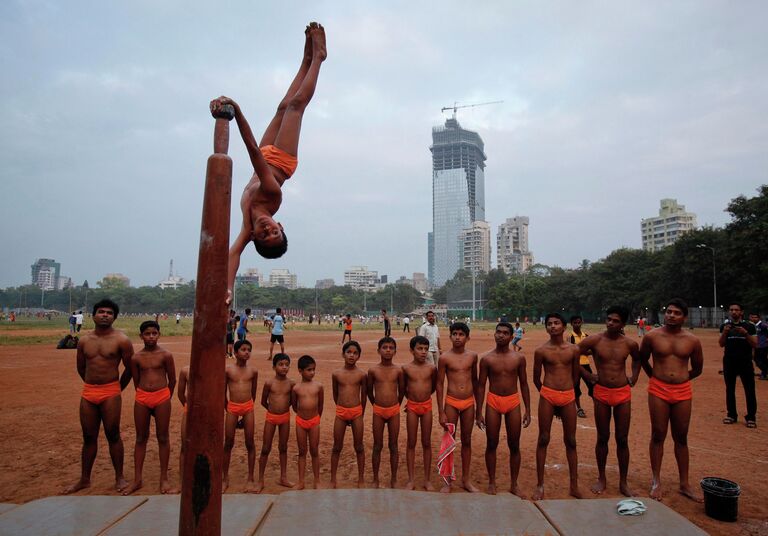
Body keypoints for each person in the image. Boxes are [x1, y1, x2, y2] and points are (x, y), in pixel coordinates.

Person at [222, 22, 327, 303]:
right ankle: (319, 59)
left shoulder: (247, 226)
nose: (268, 228)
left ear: (255, 236)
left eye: (265, 233)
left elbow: (233, 254)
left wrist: (228, 289)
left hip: (265, 154)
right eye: (275, 230)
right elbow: (253, 154)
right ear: (280, 224)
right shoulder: (271, 195)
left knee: (283, 106)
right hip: (281, 160)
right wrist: (239, 113)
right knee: (296, 107)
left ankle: (305, 59)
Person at [64, 299, 134, 494]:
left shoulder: (121, 340)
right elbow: (81, 367)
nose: (105, 315)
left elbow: (130, 368)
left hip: (111, 391)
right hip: (89, 392)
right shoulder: (85, 341)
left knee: (113, 434)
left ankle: (119, 477)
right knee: (88, 437)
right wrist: (91, 383)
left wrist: (119, 387)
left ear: (114, 317)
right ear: (93, 315)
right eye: (101, 312)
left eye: (109, 313)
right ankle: (84, 479)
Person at [639, 298, 704, 501]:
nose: (671, 315)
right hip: (658, 389)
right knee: (658, 434)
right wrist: (655, 377)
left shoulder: (692, 340)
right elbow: (643, 359)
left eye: (676, 313)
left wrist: (682, 379)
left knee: (681, 437)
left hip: (683, 391)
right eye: (668, 311)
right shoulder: (652, 337)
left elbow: (698, 368)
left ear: (684, 317)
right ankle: (656, 481)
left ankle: (684, 483)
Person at [577, 306, 640, 497]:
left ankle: (623, 482)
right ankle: (602, 478)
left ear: (623, 323)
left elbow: (637, 360)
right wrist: (587, 375)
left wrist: (634, 376)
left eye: (616, 320)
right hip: (602, 392)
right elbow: (572, 354)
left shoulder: (630, 344)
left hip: (622, 393)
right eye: (609, 319)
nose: (611, 323)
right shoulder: (595, 340)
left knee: (622, 439)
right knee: (602, 437)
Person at [476, 322, 531, 496]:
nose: (501, 335)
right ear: (494, 334)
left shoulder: (518, 358)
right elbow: (481, 385)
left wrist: (528, 410)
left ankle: (514, 484)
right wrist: (479, 412)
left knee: (514, 444)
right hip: (493, 401)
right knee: (491, 443)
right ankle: (492, 482)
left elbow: (523, 383)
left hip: (513, 402)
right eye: (498, 332)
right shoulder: (486, 359)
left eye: (505, 333)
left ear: (511, 336)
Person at [123, 320, 178, 495]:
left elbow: (172, 380)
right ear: (141, 336)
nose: (151, 337)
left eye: (154, 333)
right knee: (140, 438)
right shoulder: (136, 358)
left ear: (159, 335)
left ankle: (164, 479)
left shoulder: (166, 355)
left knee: (163, 437)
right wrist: (144, 395)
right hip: (142, 397)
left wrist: (165, 398)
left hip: (162, 397)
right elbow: (136, 380)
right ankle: (137, 479)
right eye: (147, 334)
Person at [532, 313, 583, 500]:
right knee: (543, 438)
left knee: (571, 441)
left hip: (568, 395)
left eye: (556, 323)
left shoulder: (573, 350)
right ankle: (540, 485)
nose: (552, 326)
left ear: (563, 327)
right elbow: (536, 378)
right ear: (546, 328)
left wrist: (566, 393)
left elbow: (576, 376)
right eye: (549, 324)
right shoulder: (541, 351)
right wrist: (547, 395)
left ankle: (574, 485)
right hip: (548, 395)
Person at [436, 322, 479, 493]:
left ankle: (466, 480)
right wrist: (441, 411)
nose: (458, 337)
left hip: (469, 402)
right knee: (449, 441)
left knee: (467, 440)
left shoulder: (473, 356)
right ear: (450, 336)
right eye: (454, 334)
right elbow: (439, 384)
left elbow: (475, 381)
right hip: (451, 402)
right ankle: (447, 481)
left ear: (467, 337)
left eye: (461, 334)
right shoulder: (444, 358)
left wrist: (479, 407)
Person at [367, 337, 404, 488]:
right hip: (378, 411)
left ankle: (394, 479)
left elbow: (401, 392)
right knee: (377, 445)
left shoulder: (398, 370)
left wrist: (395, 406)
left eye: (391, 348)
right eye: (385, 347)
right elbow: (369, 392)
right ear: (378, 350)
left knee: (393, 445)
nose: (388, 350)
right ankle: (375, 479)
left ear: (395, 351)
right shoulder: (373, 370)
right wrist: (377, 405)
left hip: (394, 410)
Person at [223, 340, 258, 492]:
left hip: (248, 408)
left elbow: (254, 393)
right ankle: (224, 477)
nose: (247, 352)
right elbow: (223, 392)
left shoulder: (253, 372)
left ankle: (250, 478)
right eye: (243, 349)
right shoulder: (228, 370)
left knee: (250, 443)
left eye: (249, 350)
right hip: (232, 407)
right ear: (236, 352)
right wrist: (228, 408)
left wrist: (247, 410)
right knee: (228, 442)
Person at [257, 353, 295, 493]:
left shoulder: (291, 384)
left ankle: (283, 477)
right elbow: (263, 401)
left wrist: (283, 410)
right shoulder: (269, 383)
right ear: (274, 367)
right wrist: (272, 410)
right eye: (281, 364)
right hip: (271, 418)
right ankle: (260, 479)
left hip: (285, 418)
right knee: (266, 448)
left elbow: (292, 401)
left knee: (283, 447)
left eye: (286, 365)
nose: (284, 367)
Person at [330, 341, 367, 488]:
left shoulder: (362, 374)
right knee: (336, 447)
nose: (351, 355)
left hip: (357, 412)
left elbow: (363, 397)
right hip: (341, 413)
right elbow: (335, 394)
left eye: (355, 353)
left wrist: (360, 414)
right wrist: (341, 408)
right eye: (349, 352)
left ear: (358, 356)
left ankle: (361, 479)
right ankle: (333, 479)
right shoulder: (336, 374)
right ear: (343, 354)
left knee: (359, 447)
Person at [402, 335, 437, 491]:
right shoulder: (406, 369)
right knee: (411, 442)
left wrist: (424, 397)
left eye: (425, 349)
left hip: (427, 406)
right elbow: (403, 388)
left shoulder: (431, 368)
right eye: (419, 349)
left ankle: (427, 479)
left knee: (427, 442)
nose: (423, 352)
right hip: (412, 407)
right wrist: (410, 400)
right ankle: (410, 479)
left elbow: (434, 387)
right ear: (412, 350)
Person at [719, 303, 757, 428]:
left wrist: (745, 334)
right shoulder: (725, 326)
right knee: (729, 388)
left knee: (749, 389)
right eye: (731, 310)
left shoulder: (749, 326)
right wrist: (725, 332)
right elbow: (721, 344)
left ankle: (751, 417)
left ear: (741, 312)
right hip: (729, 361)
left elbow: (755, 344)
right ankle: (731, 414)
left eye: (736, 310)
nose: (734, 312)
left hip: (745, 361)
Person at [292, 355, 324, 490]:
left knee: (314, 450)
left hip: (314, 421)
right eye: (309, 370)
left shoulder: (318, 386)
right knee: (302, 451)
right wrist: (302, 416)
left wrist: (316, 418)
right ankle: (301, 481)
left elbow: (320, 404)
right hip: (300, 421)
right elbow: (294, 405)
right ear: (300, 370)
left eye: (313, 369)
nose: (312, 372)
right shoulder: (296, 388)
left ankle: (317, 480)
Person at [569, 315, 592, 418]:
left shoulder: (586, 336)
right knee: (576, 387)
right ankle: (579, 408)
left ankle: (598, 405)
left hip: (586, 364)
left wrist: (578, 350)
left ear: (582, 322)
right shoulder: (570, 337)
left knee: (592, 385)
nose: (577, 324)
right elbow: (571, 352)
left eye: (579, 322)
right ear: (571, 324)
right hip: (575, 366)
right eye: (575, 323)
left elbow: (591, 350)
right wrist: (584, 351)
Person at [177, 364, 190, 484]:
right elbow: (180, 393)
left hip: (206, 411)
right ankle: (182, 480)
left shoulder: (211, 369)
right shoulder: (185, 370)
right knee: (185, 445)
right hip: (189, 410)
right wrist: (187, 406)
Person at [750, 312, 768, 380]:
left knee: (760, 361)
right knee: (761, 360)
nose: (754, 319)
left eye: (756, 317)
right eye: (753, 317)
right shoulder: (754, 326)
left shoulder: (763, 325)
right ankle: (764, 373)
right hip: (757, 346)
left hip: (763, 346)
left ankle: (765, 373)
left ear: (759, 318)